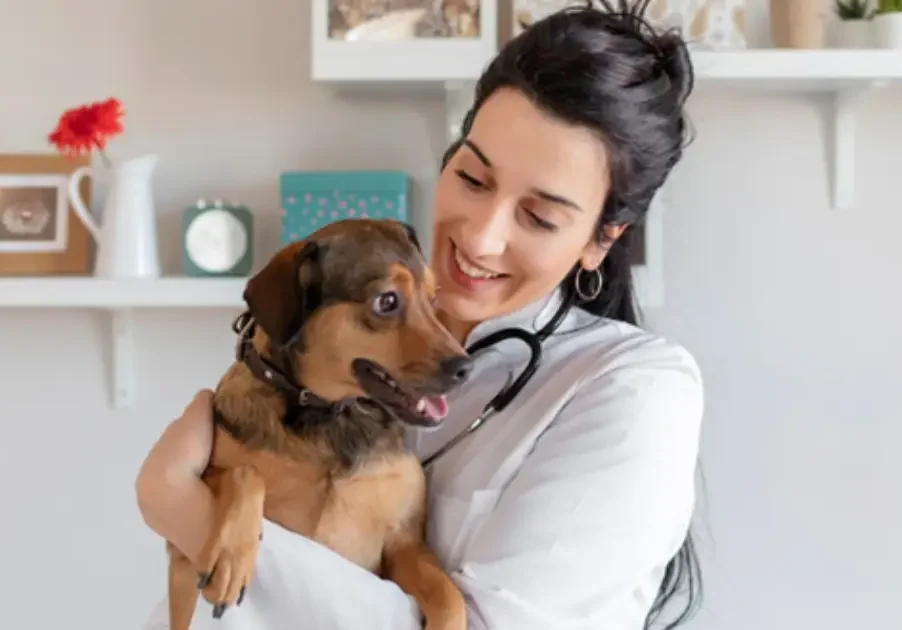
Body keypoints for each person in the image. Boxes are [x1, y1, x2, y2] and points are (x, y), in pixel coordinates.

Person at [135, 1, 705, 628]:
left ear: (603, 237)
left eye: (540, 216)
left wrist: (181, 509)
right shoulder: (331, 350)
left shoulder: (636, 388)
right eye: (473, 178)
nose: (482, 238)